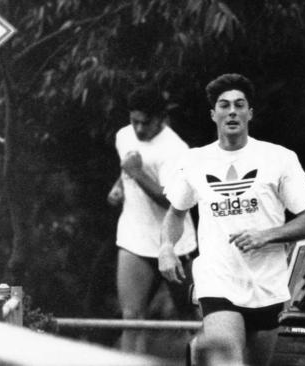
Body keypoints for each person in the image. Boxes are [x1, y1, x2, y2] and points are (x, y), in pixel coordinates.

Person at [158, 73, 305, 365]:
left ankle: (198, 350)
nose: (232, 111)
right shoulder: (194, 161)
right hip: (218, 280)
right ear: (213, 114)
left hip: (267, 283)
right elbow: (175, 214)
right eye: (224, 105)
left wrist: (266, 235)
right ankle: (204, 350)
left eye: (239, 104)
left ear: (250, 113)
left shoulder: (278, 158)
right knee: (228, 361)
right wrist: (167, 248)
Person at [107, 84, 198, 353]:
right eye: (133, 121)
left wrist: (136, 173)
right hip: (134, 238)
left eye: (145, 123)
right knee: (131, 318)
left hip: (174, 243)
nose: (138, 129)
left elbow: (174, 201)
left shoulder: (176, 149)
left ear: (161, 118)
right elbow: (127, 170)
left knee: (191, 321)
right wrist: (120, 186)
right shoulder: (124, 136)